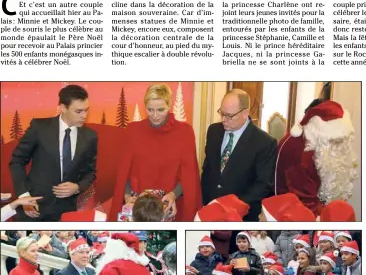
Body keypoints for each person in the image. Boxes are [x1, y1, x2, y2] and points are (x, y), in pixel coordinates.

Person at [108, 83, 201, 221]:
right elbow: (124, 172)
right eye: (150, 109)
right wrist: (127, 196)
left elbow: (189, 175)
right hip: (138, 208)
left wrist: (173, 195)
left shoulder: (184, 132)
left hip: (170, 206)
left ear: (169, 106)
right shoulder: (133, 130)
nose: (155, 115)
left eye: (161, 110)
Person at [9, 84, 97, 222]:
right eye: (78, 111)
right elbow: (17, 161)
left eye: (86, 110)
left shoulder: (90, 136)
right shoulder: (39, 128)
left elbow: (90, 172)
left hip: (66, 211)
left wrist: (77, 187)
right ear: (62, 108)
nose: (84, 116)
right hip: (34, 208)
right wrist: (23, 196)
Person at [201, 89, 277, 221]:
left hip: (242, 217)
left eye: (229, 116)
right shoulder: (213, 131)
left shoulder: (264, 142)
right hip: (210, 212)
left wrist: (232, 207)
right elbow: (208, 169)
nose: (224, 119)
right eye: (222, 113)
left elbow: (263, 185)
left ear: (245, 113)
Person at [275, 100, 357, 216]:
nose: (341, 146)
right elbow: (305, 203)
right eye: (337, 141)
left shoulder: (315, 145)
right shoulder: (301, 152)